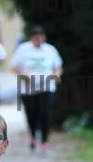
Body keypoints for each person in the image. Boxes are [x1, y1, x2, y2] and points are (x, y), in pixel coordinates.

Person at [10, 26, 62, 154]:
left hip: (46, 87)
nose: (39, 40)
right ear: (31, 38)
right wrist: (23, 75)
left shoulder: (50, 49)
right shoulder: (23, 49)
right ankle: (33, 135)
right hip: (28, 88)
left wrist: (56, 76)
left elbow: (58, 66)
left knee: (45, 113)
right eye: (36, 38)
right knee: (32, 114)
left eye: (41, 38)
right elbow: (14, 67)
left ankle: (45, 142)